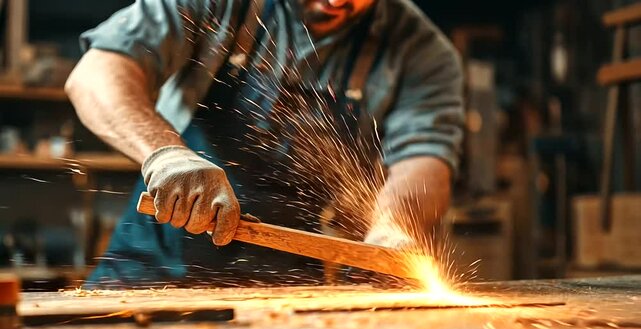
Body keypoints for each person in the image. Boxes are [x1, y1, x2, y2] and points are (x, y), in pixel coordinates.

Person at [65, 0, 464, 288]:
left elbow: (423, 158)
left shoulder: (420, 50)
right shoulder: (222, 5)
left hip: (285, 284)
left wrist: (394, 228)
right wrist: (168, 158)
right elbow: (96, 74)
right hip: (151, 269)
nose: (336, 1)